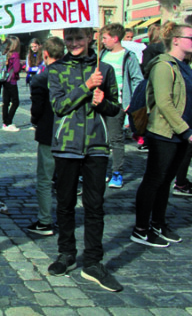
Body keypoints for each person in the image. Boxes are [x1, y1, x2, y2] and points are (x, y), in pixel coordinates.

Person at [47, 27, 122, 292]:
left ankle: (92, 261)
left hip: (96, 146)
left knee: (94, 205)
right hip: (66, 145)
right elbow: (59, 106)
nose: (74, 43)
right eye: (69, 38)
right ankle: (66, 254)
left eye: (79, 38)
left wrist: (102, 103)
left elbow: (115, 107)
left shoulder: (106, 69)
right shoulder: (56, 69)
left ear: (90, 38)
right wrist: (86, 87)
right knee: (66, 204)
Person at [131, 21, 192, 248]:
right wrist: (185, 131)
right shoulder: (163, 66)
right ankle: (140, 229)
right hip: (164, 132)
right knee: (153, 180)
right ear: (175, 40)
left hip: (181, 133)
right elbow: (165, 103)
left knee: (166, 181)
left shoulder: (184, 65)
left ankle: (158, 223)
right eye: (190, 38)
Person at [27, 36, 65, 236]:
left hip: (48, 133)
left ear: (46, 54)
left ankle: (45, 220)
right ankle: (65, 218)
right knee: (65, 179)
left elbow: (37, 109)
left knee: (45, 178)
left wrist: (35, 120)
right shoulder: (71, 74)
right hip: (69, 133)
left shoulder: (41, 78)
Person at [100, 23, 144, 189]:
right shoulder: (103, 54)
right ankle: (101, 170)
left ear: (115, 38)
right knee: (100, 139)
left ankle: (117, 172)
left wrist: (131, 103)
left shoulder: (128, 56)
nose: (103, 41)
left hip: (117, 104)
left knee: (116, 140)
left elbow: (137, 79)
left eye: (105, 38)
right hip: (100, 103)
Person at [0, 36, 22, 132]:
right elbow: (16, 69)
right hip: (12, 80)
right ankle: (9, 121)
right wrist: (21, 65)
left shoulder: (5, 53)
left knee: (6, 102)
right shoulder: (15, 54)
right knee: (16, 102)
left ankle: (5, 122)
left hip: (5, 79)